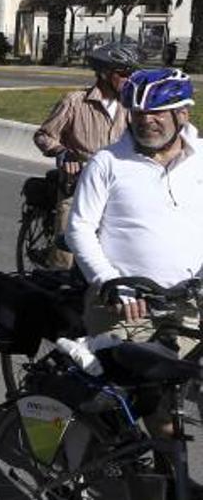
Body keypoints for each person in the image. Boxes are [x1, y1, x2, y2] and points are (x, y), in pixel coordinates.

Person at [67, 68, 203, 349]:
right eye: (137, 113)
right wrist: (110, 282)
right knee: (118, 387)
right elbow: (79, 228)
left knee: (180, 384)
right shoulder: (107, 161)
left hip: (188, 303)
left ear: (183, 114)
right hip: (126, 303)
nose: (145, 120)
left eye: (157, 112)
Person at [33, 41, 138, 269]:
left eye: (132, 73)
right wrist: (62, 152)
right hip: (77, 186)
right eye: (123, 73)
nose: (129, 78)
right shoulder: (75, 102)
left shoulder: (131, 106)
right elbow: (43, 135)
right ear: (104, 73)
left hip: (116, 189)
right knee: (66, 253)